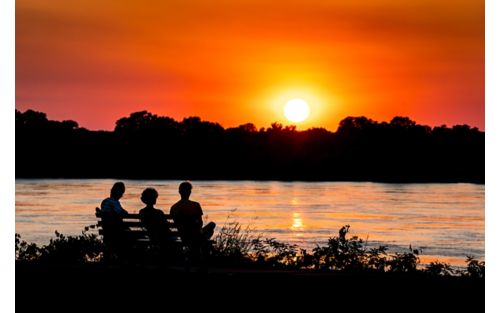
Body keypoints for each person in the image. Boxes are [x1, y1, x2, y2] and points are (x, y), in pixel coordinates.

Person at [170, 181, 216, 261]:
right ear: (190, 192)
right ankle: (203, 251)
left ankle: (197, 251)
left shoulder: (174, 207)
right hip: (196, 235)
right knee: (212, 224)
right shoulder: (196, 205)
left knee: (199, 235)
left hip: (183, 236)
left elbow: (176, 223)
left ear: (179, 192)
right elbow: (200, 223)